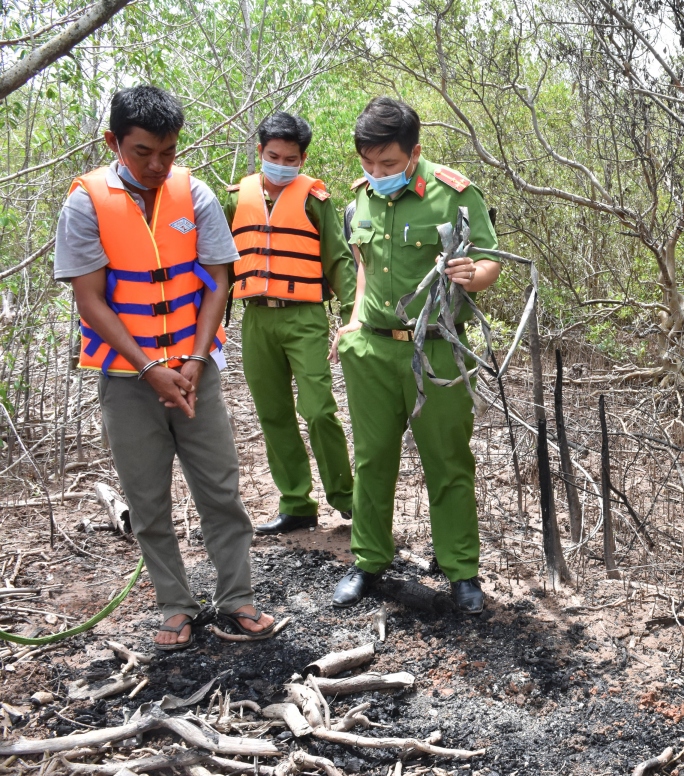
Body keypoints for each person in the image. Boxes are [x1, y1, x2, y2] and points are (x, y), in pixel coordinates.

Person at [54, 85, 274, 651]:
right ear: (114, 142)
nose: (156, 165)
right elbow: (90, 300)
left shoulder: (194, 195)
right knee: (148, 500)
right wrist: (150, 368)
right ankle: (175, 604)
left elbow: (218, 282)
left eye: (167, 152)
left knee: (222, 490)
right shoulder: (86, 203)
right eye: (142, 152)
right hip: (130, 382)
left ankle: (237, 598)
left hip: (197, 374)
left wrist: (196, 360)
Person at [331, 97, 500, 612]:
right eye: (367, 163)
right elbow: (363, 265)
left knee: (448, 462)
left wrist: (476, 274)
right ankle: (369, 561)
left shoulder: (455, 194)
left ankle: (461, 572)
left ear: (414, 152)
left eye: (388, 164)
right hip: (373, 353)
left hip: (438, 351)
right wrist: (355, 323)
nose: (377, 173)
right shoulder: (359, 198)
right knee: (372, 459)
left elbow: (491, 259)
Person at [221, 112, 356, 534]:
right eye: (273, 155)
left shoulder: (315, 199)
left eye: (291, 158)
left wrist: (355, 317)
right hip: (256, 318)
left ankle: (348, 499)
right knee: (273, 414)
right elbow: (217, 266)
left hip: (305, 316)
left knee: (318, 410)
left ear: (302, 158)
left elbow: (338, 260)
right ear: (260, 151)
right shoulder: (233, 197)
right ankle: (296, 503)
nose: (281, 164)